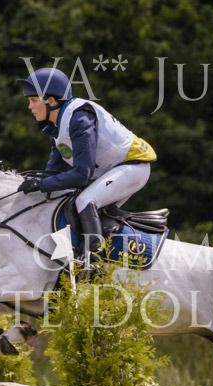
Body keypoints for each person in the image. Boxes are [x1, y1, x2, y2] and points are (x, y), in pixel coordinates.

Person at [16, 67, 157, 260]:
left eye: (33, 100)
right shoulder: (57, 126)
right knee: (68, 201)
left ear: (51, 100)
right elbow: (53, 173)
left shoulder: (80, 118)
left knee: (85, 201)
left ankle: (93, 261)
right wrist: (29, 180)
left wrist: (41, 184)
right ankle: (82, 256)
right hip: (116, 170)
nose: (29, 107)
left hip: (133, 166)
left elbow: (82, 175)